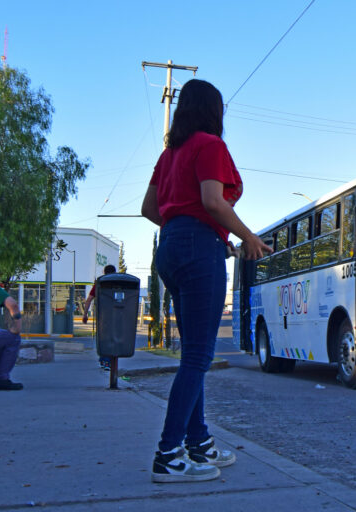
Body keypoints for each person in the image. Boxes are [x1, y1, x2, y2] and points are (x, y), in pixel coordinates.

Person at [141, 79, 272, 484]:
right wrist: (246, 237)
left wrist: (188, 227)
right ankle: (168, 454)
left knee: (192, 354)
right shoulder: (210, 145)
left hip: (171, 247)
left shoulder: (170, 154)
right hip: (198, 248)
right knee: (198, 356)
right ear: (213, 111)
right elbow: (214, 201)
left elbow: (149, 209)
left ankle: (197, 442)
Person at [82, 264, 116, 370]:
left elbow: (89, 300)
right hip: (115, 314)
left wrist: (85, 314)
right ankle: (107, 361)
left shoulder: (99, 283)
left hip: (102, 315)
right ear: (114, 272)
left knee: (103, 337)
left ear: (104, 272)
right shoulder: (117, 283)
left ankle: (103, 360)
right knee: (112, 338)